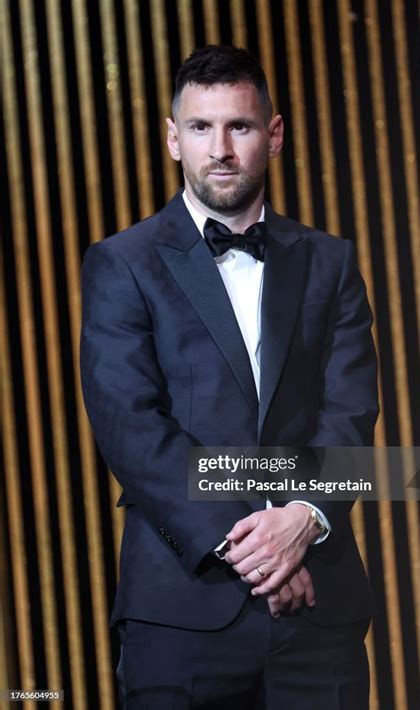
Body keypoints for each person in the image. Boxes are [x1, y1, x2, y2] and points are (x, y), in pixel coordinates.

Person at [80, 44, 378, 710]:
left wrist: (305, 518)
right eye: (200, 127)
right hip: (183, 612)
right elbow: (132, 429)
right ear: (173, 139)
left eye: (239, 126)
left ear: (273, 136)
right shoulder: (122, 263)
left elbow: (351, 414)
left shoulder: (330, 262)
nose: (220, 148)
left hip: (316, 612)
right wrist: (260, 548)